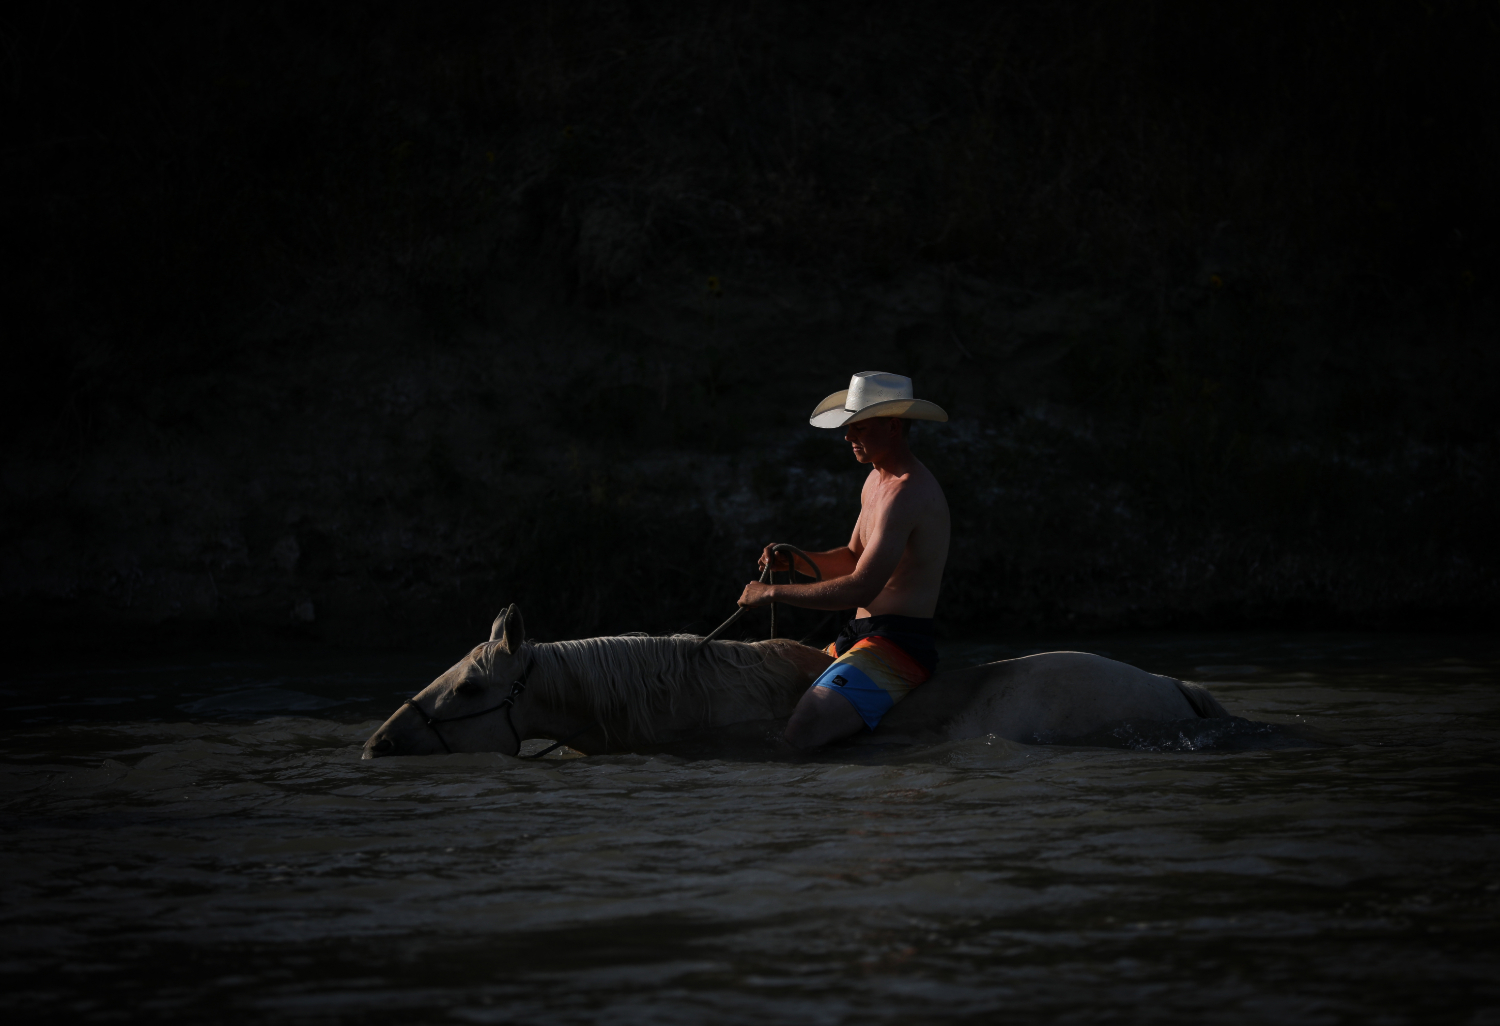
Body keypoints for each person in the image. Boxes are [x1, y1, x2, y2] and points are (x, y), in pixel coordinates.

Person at [737, 370, 951, 748]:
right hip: (858, 636)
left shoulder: (908, 492)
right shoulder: (875, 480)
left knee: (806, 726)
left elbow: (862, 587)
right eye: (850, 426)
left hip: (898, 643)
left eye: (861, 426)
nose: (848, 436)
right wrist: (798, 563)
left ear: (892, 427)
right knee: (767, 682)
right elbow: (854, 558)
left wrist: (771, 593)